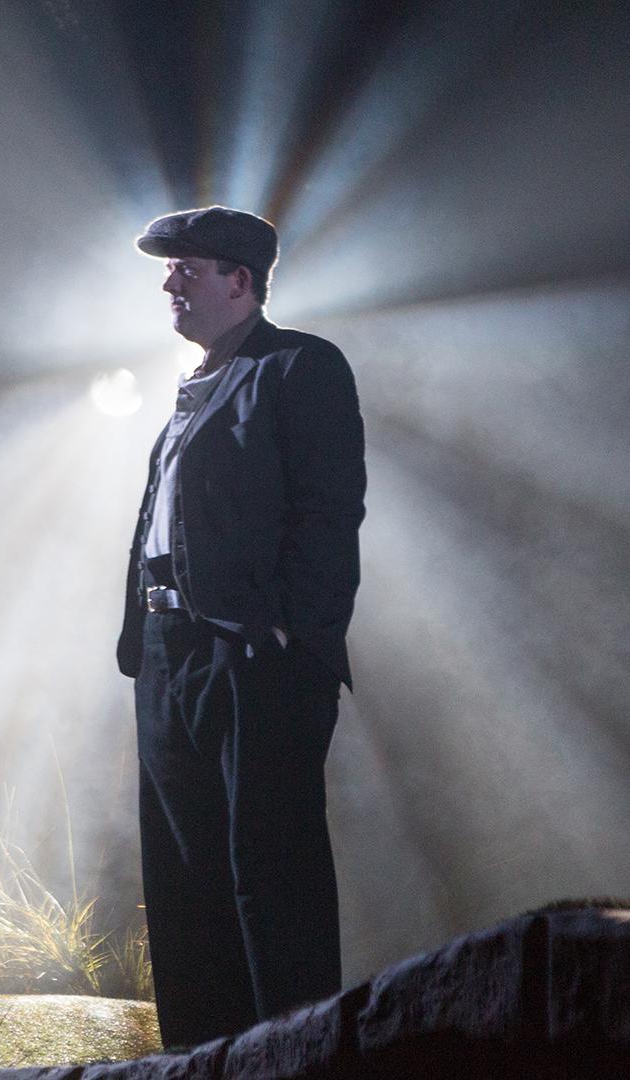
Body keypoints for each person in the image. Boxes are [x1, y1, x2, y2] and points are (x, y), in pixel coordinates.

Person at [116, 206, 366, 1047]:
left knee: (271, 870)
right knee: (185, 878)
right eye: (168, 267)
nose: (169, 282)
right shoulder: (193, 385)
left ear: (242, 280)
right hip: (167, 654)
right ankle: (199, 1061)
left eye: (188, 266)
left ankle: (297, 1056)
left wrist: (293, 634)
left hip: (250, 651)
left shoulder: (301, 365)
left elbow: (331, 510)